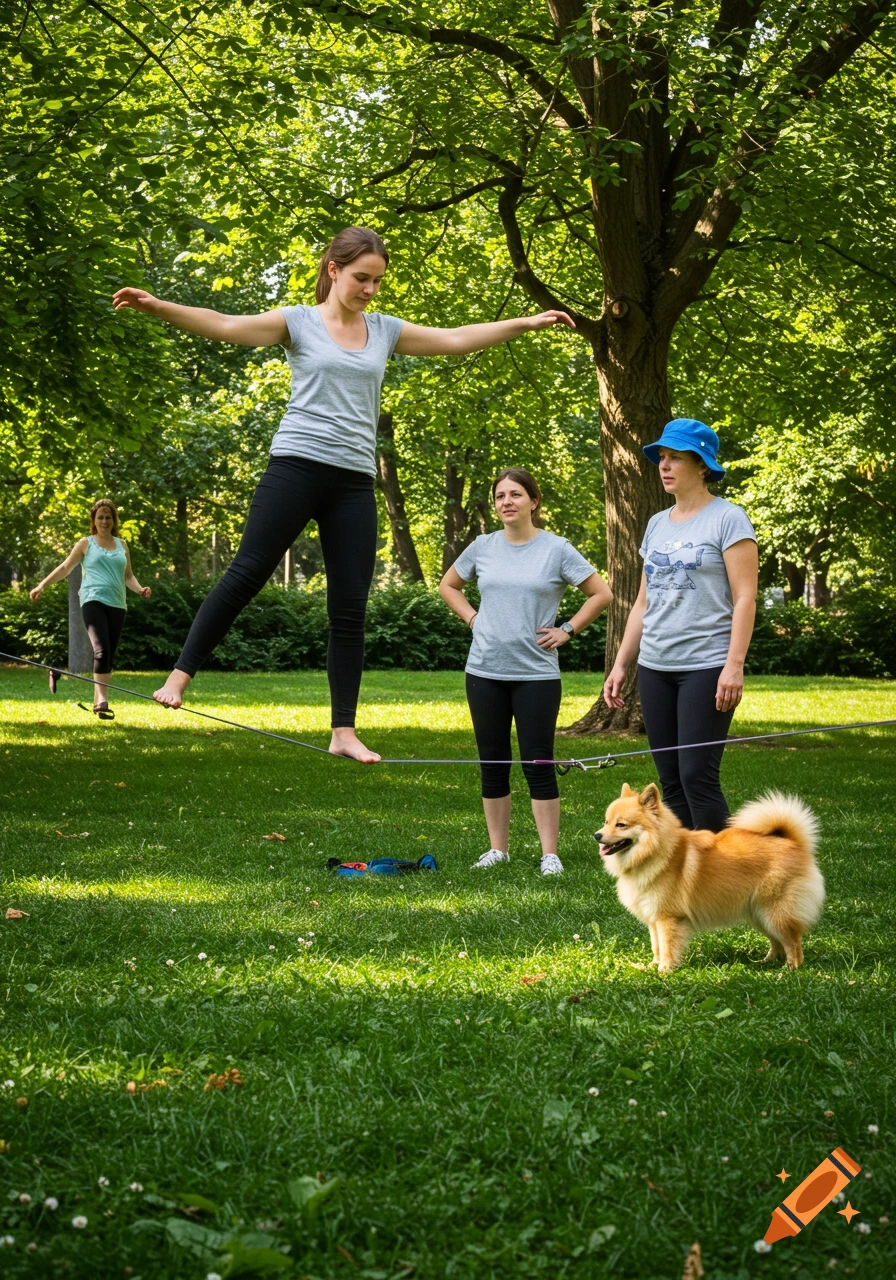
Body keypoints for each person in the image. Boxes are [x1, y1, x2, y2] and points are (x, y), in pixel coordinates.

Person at [112, 226, 576, 763]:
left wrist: (526, 322)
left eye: (377, 281)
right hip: (295, 468)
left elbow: (453, 339)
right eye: (361, 278)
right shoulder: (298, 322)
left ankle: (343, 730)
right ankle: (178, 677)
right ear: (333, 269)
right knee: (247, 572)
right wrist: (159, 307)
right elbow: (224, 325)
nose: (370, 290)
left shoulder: (383, 330)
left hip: (353, 481)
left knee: (350, 608)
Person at [440, 468, 612, 875]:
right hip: (484, 671)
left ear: (534, 501)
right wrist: (472, 619)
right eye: (500, 496)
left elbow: (600, 593)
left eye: (516, 494)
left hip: (536, 674)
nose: (507, 502)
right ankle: (497, 849)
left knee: (538, 761)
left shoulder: (556, 550)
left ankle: (549, 853)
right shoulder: (482, 547)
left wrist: (567, 629)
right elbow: (449, 585)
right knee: (492, 761)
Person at [603, 419, 758, 832]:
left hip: (706, 664)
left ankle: (726, 875)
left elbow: (745, 598)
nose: (665, 465)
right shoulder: (656, 523)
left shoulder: (729, 519)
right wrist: (621, 665)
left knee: (697, 777)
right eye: (662, 458)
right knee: (670, 782)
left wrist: (734, 664)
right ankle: (687, 880)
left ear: (703, 465)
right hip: (655, 666)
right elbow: (641, 602)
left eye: (676, 458)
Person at [29, 499, 152, 719]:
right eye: (100, 517)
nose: (105, 521)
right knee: (101, 650)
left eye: (108, 517)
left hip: (117, 603)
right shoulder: (86, 543)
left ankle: (98, 702)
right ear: (94, 520)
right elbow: (65, 567)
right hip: (92, 600)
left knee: (108, 654)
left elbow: (128, 576)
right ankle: (104, 700)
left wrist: (140, 589)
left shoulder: (122, 545)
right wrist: (41, 585)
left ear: (114, 520)